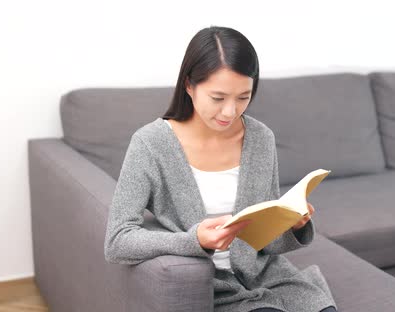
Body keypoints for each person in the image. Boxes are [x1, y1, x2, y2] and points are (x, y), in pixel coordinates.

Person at [104, 25, 337, 312]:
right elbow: (117, 240)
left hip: (269, 277)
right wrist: (194, 240)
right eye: (218, 98)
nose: (231, 111)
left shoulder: (261, 138)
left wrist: (292, 225)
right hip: (212, 286)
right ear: (189, 85)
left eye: (243, 97)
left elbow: (264, 243)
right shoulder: (150, 144)